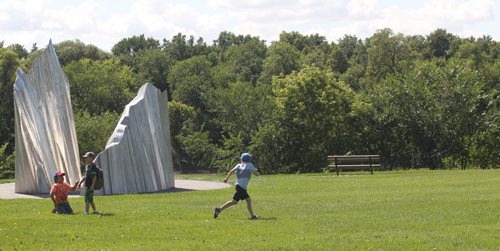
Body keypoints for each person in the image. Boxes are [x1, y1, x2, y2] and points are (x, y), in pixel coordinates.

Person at [214, 152, 260, 219]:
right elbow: (256, 174)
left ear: (241, 159)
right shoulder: (250, 165)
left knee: (247, 200)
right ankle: (219, 209)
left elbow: (231, 171)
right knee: (235, 201)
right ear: (249, 159)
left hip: (238, 186)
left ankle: (252, 216)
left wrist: (226, 178)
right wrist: (257, 173)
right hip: (241, 187)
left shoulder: (238, 165)